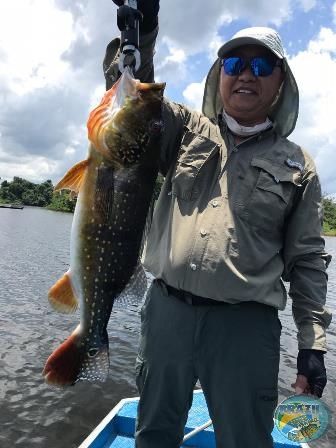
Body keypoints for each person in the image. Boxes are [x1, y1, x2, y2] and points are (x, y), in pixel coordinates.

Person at [105, 2, 332, 447]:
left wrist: (312, 344)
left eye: (261, 64)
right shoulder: (184, 128)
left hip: (245, 328)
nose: (246, 73)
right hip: (166, 313)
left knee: (246, 438)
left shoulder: (298, 165)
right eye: (235, 63)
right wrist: (143, 30)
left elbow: (307, 262)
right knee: (153, 432)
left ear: (280, 81)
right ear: (220, 74)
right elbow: (134, 96)